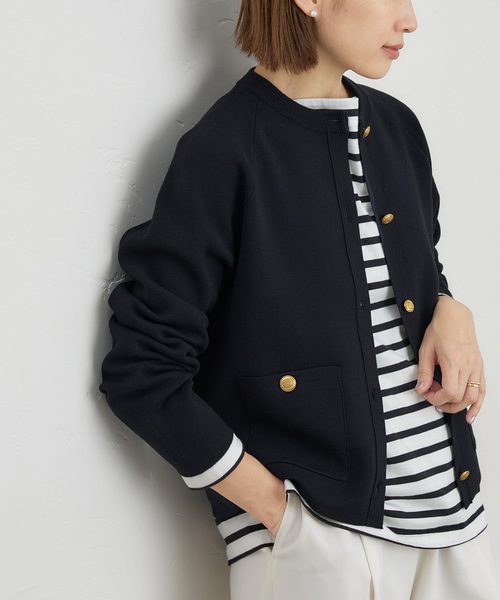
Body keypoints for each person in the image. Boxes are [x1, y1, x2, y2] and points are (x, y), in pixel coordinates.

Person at [100, 0, 500, 597]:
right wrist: (279, 514)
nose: (410, 20)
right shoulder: (225, 148)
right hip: (322, 544)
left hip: (455, 522)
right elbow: (142, 370)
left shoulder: (397, 129)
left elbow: (409, 270)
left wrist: (450, 307)